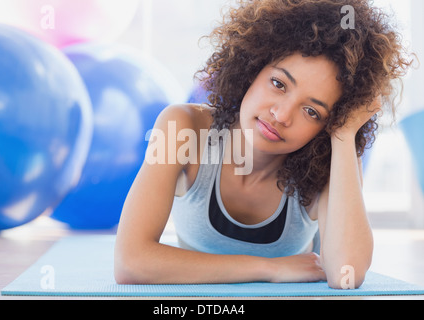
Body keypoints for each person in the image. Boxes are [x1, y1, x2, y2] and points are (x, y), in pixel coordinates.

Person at [114, 0, 412, 289]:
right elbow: (130, 262)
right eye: (279, 84)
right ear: (253, 66)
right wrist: (269, 268)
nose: (281, 115)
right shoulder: (183, 127)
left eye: (312, 111)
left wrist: (344, 135)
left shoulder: (330, 159)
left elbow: (346, 275)